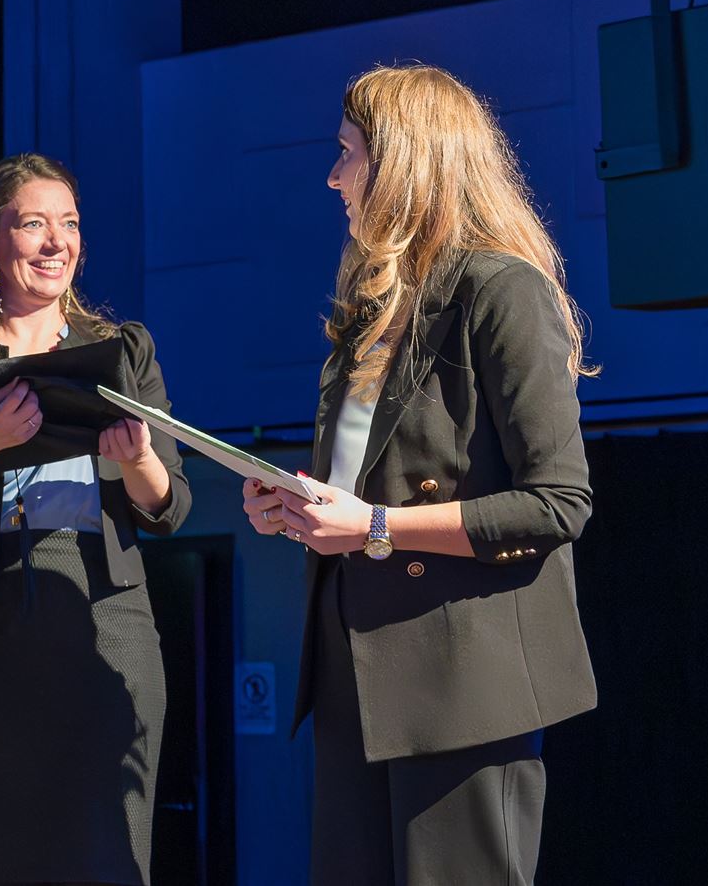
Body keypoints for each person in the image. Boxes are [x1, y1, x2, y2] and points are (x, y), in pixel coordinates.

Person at [241, 64, 599, 885]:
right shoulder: (371, 309)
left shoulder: (501, 290)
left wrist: (371, 527)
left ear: (403, 160)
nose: (333, 177)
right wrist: (298, 507)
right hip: (354, 666)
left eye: (347, 153)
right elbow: (368, 489)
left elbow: (557, 503)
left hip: (461, 679)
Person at [0, 153, 190, 886]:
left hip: (104, 626)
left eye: (70, 224)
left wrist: (138, 458)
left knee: (104, 859)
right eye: (34, 224)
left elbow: (170, 506)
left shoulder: (124, 352)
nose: (58, 242)